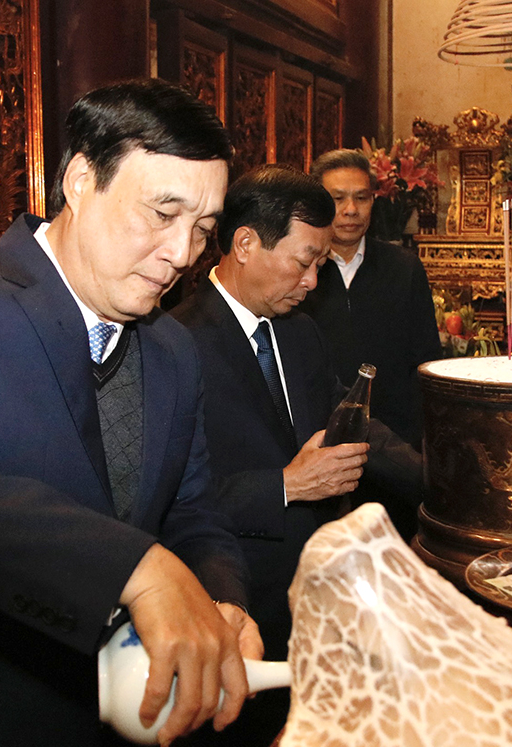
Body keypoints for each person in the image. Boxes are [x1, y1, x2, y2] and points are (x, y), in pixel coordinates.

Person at [0, 80, 262, 747]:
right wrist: (134, 567)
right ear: (79, 180)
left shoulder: (174, 346)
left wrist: (221, 603)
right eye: (162, 214)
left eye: (203, 231)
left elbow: (194, 509)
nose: (183, 255)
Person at [171, 165, 424, 743]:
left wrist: (443, 483)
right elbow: (166, 502)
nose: (313, 281)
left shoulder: (299, 333)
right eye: (304, 261)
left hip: (315, 599)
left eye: (321, 264)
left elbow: (354, 427)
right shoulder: (175, 344)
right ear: (245, 244)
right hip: (235, 603)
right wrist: (284, 485)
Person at [299, 149, 442, 451]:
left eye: (361, 198)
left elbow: (426, 360)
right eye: (337, 199)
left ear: (373, 201)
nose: (350, 210)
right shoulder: (299, 270)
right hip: (316, 441)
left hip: (395, 443)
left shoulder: (404, 267)